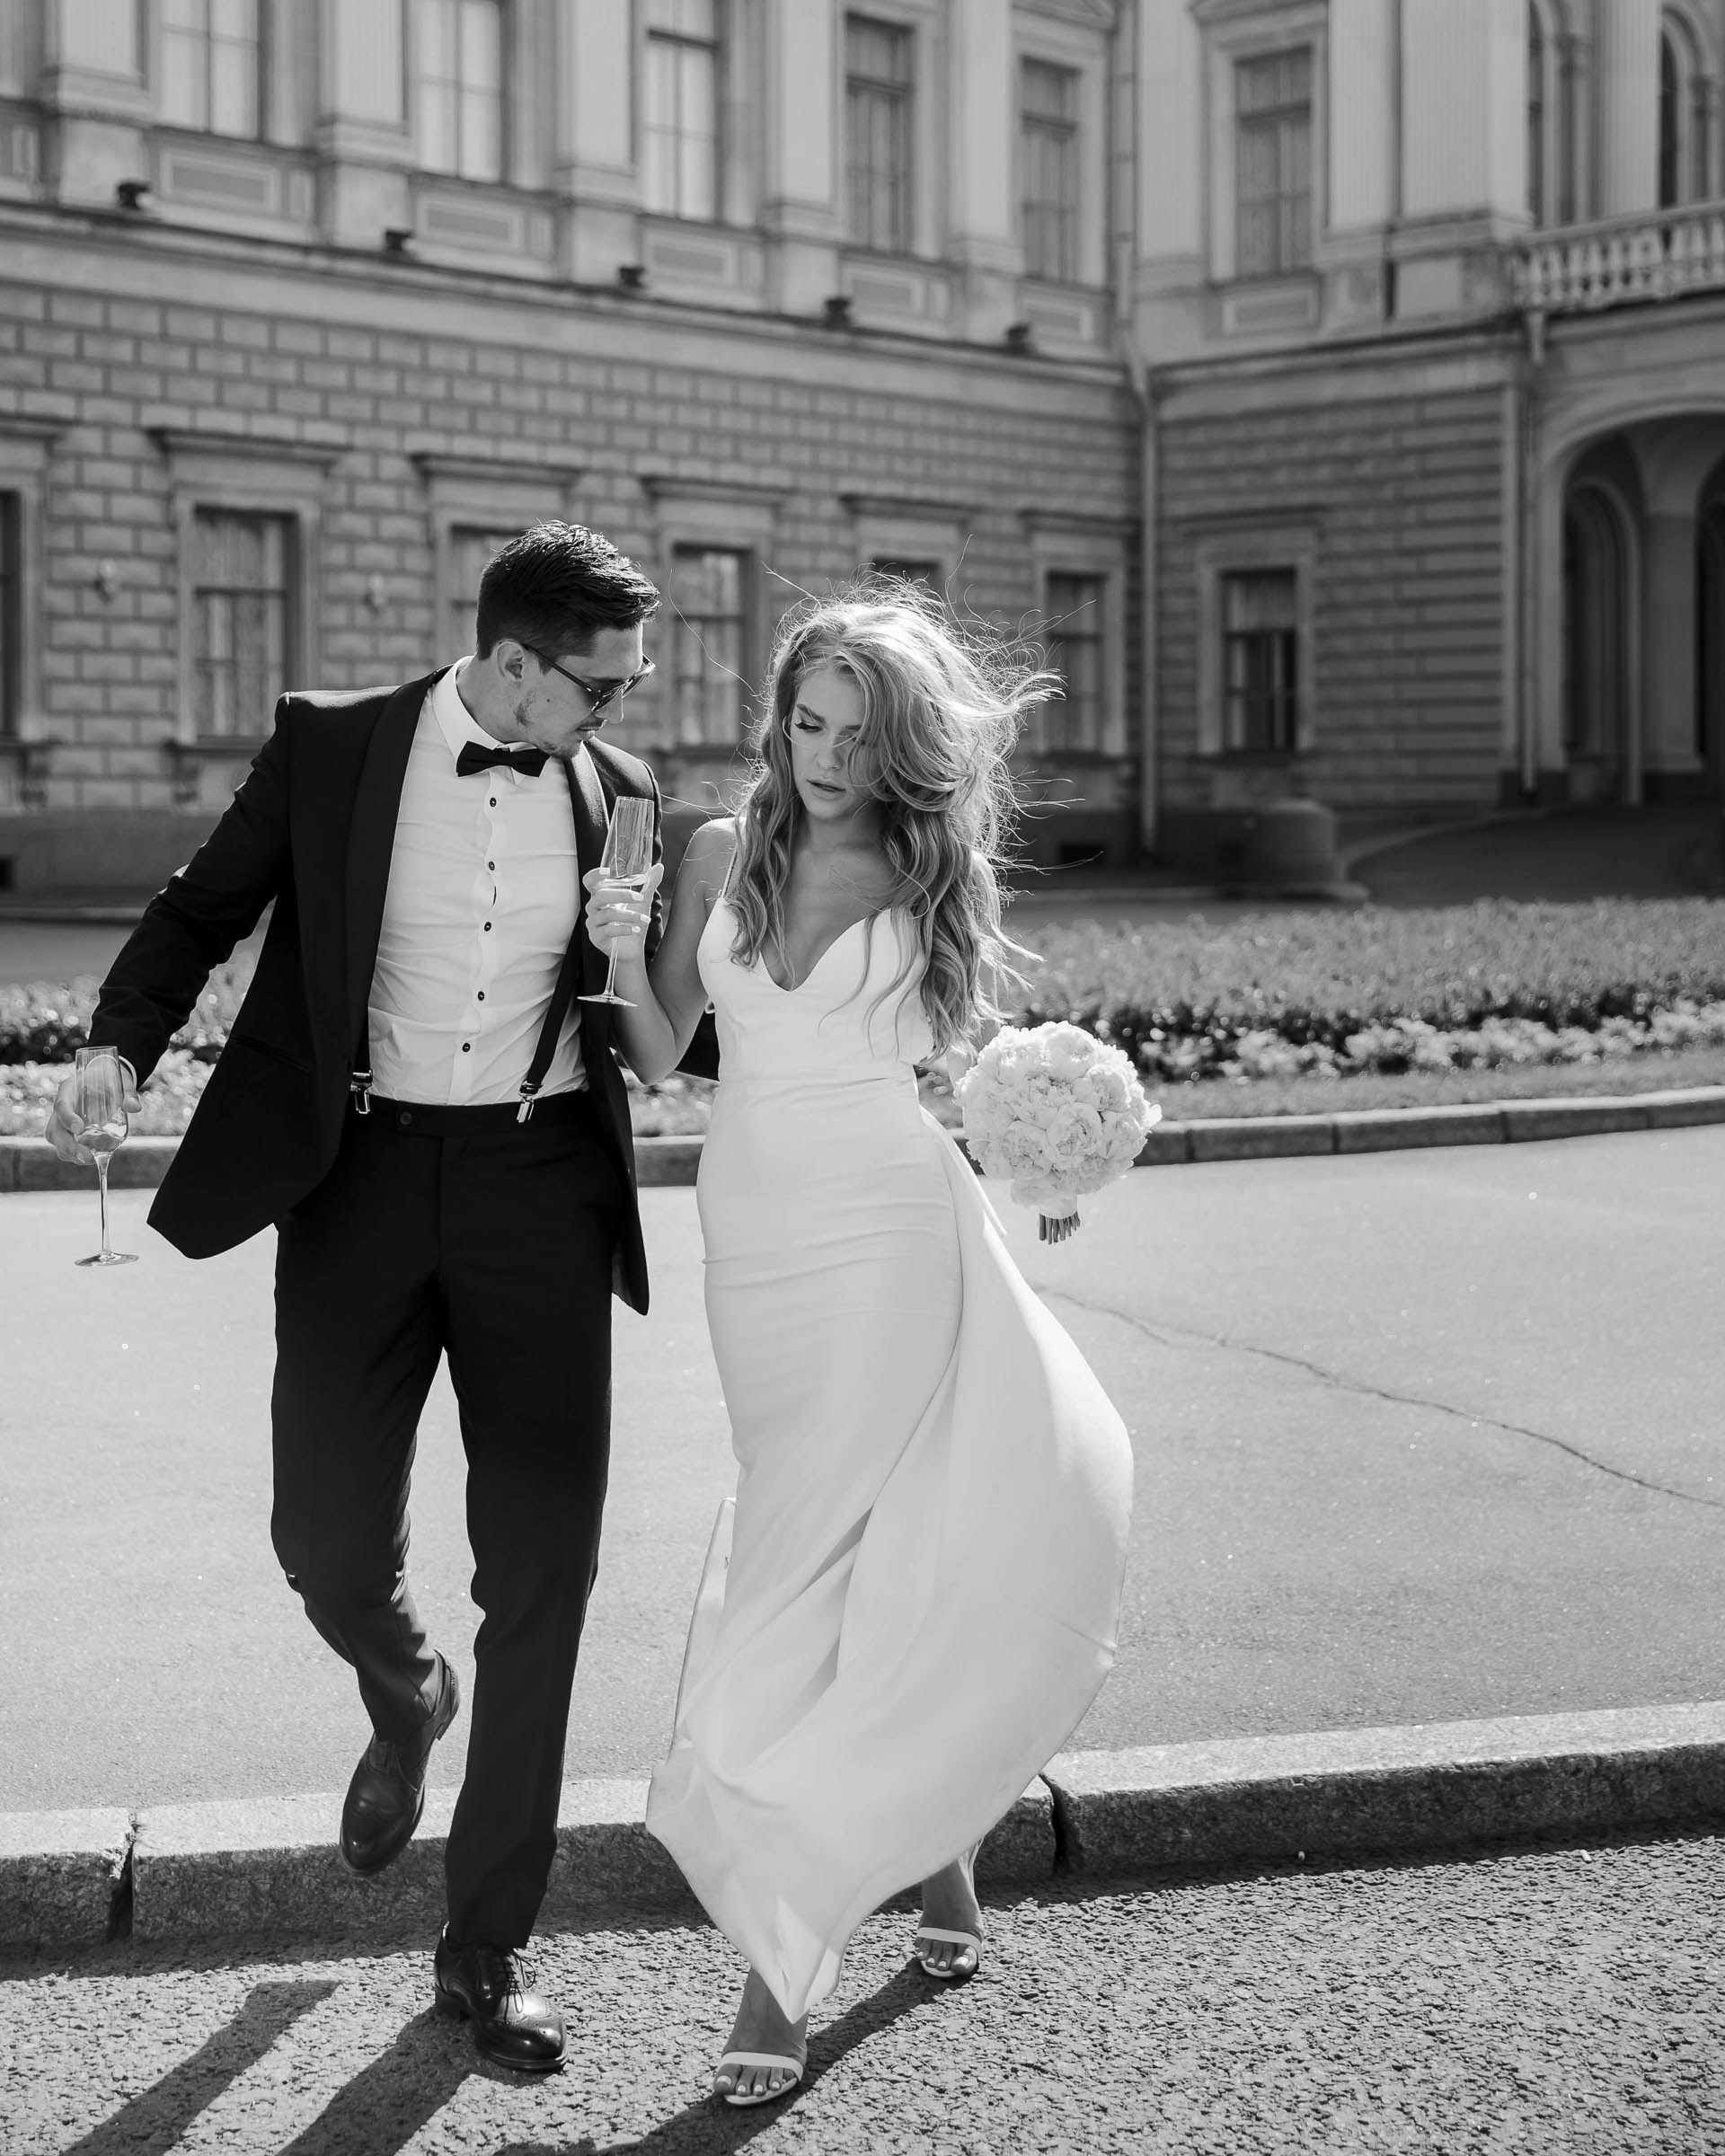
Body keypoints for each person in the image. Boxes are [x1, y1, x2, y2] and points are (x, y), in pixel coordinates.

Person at [48, 521, 712, 2073]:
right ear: (512, 663)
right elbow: (200, 908)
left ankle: (488, 1941)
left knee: (544, 1570)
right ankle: (410, 1691)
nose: (620, 712)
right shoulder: (336, 748)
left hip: (541, 1189)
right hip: (357, 1179)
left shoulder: (619, 792)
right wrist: (115, 1050)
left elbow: (658, 1017)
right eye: (600, 686)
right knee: (324, 1537)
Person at [584, 584, 1135, 2107]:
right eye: (806, 723)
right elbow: (663, 1051)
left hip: (892, 1226)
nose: (824, 755)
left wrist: (1045, 1152)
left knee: (818, 1561)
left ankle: (782, 1966)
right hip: (756, 1227)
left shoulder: (932, 863)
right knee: (808, 1528)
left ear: (900, 743)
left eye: (852, 732)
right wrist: (620, 950)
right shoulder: (720, 850)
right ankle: (933, 1851)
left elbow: (958, 1055)